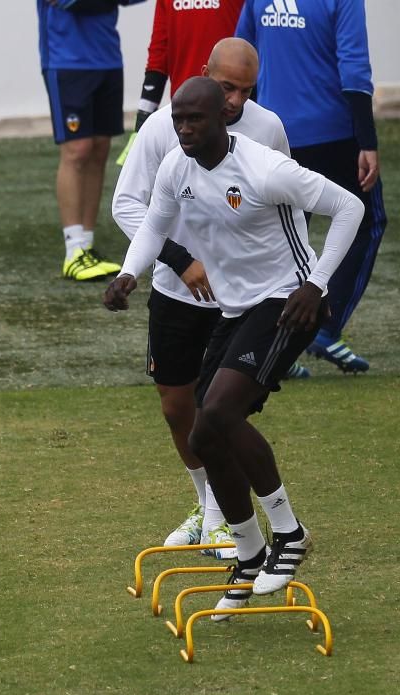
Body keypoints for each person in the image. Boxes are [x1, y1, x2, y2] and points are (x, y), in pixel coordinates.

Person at [104, 77, 364, 613]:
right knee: (204, 432)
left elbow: (349, 208)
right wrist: (130, 273)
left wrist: (317, 284)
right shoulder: (178, 165)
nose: (183, 129)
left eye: (194, 120)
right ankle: (249, 551)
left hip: (286, 303)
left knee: (218, 413)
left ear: (223, 118)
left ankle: (288, 534)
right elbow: (153, 225)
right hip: (236, 308)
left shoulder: (266, 168)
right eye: (177, 120)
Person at [112, 38, 293, 557]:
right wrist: (179, 261)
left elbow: (289, 202)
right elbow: (127, 206)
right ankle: (207, 506)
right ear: (204, 72)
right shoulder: (163, 128)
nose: (235, 99)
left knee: (219, 414)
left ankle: (223, 520)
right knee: (176, 408)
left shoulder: (268, 129)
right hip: (175, 292)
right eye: (227, 85)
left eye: (245, 89)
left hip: (242, 298)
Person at [235, 0, 387, 374]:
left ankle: (271, 343)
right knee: (366, 222)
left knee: (276, 233)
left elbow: (241, 52)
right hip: (332, 132)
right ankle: (325, 328)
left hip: (274, 132)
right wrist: (367, 140)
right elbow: (354, 69)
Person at [37, 0, 144, 281]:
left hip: (107, 57)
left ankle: (86, 244)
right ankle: (73, 250)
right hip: (66, 61)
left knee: (99, 149)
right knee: (77, 150)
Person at [115, 0, 244, 165]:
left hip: (230, 117)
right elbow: (159, 53)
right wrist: (142, 120)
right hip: (183, 119)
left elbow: (252, 44)